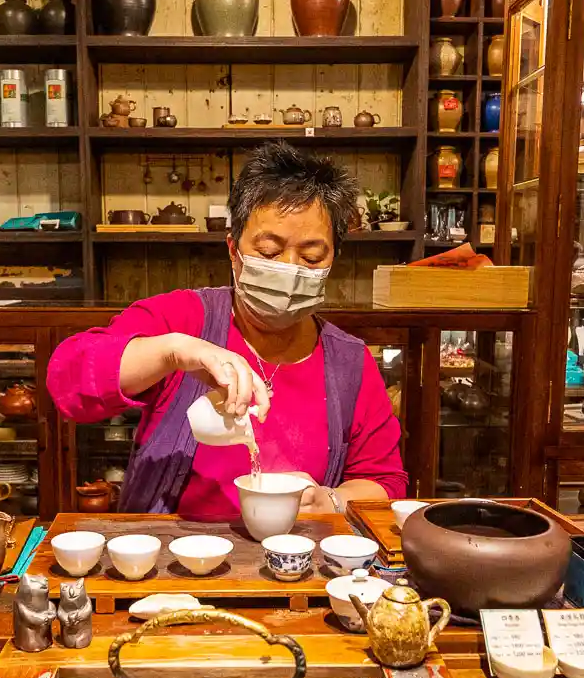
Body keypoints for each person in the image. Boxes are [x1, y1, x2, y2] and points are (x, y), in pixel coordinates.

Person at [49, 142, 405, 520]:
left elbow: (384, 482)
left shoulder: (349, 362)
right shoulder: (182, 319)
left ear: (333, 258)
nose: (289, 268)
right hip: (172, 561)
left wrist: (329, 501)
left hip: (295, 561)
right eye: (269, 251)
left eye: (312, 256)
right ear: (233, 250)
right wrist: (173, 353)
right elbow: (68, 383)